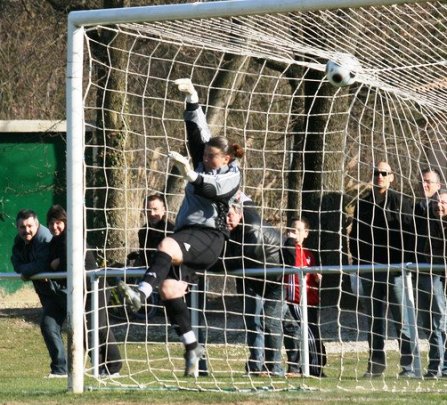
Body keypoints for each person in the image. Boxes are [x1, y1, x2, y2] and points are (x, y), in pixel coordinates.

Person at [119, 78, 243, 377]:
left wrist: (189, 173)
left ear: (226, 158)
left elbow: (212, 189)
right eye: (204, 156)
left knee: (165, 246)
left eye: (212, 156)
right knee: (170, 289)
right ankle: (192, 347)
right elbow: (197, 131)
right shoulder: (205, 161)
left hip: (210, 237)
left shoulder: (231, 175)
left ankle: (140, 293)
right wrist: (192, 97)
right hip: (190, 235)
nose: (205, 159)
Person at [349, 161, 415, 378]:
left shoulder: (402, 202)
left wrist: (404, 264)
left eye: (384, 173)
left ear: (391, 177)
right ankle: (376, 366)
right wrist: (358, 263)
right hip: (370, 269)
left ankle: (409, 366)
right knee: (375, 320)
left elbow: (409, 235)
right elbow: (355, 235)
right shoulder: (363, 203)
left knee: (401, 319)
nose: (379, 176)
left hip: (395, 269)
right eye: (376, 173)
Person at [46, 204, 123, 377]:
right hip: (80, 291)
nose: (54, 226)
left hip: (96, 287)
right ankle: (100, 366)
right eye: (51, 223)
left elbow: (69, 264)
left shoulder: (71, 238)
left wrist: (57, 264)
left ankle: (114, 367)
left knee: (99, 326)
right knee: (83, 330)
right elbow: (52, 264)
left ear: (65, 222)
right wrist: (54, 264)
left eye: (58, 222)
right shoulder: (54, 243)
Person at [218, 195, 285, 376]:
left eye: (230, 215)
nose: (226, 220)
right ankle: (256, 365)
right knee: (252, 321)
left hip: (275, 279)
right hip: (250, 279)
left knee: (271, 321)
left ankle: (275, 367)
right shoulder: (231, 225)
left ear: (240, 214)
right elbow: (246, 201)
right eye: (223, 216)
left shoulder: (252, 230)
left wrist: (205, 261)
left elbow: (232, 262)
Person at [10, 209, 67, 378]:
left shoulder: (44, 237)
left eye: (29, 226)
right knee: (48, 326)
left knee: (86, 329)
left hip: (65, 290)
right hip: (50, 294)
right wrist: (26, 270)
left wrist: (28, 270)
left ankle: (107, 367)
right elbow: (16, 263)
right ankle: (60, 370)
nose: (26, 230)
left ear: (37, 224)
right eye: (22, 227)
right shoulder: (19, 240)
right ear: (17, 227)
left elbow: (42, 264)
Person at [282, 217, 326, 377]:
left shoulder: (309, 254)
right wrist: (290, 241)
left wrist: (317, 276)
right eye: (292, 229)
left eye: (298, 230)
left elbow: (314, 274)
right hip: (296, 301)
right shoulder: (288, 249)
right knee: (302, 332)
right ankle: (312, 369)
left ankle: (316, 366)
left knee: (313, 333)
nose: (295, 232)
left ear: (306, 233)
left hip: (311, 300)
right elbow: (291, 261)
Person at [417, 181, 447, 379]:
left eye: (443, 202)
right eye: (437, 202)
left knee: (440, 321)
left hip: (440, 275)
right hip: (430, 273)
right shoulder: (425, 220)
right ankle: (437, 365)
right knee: (432, 322)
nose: (439, 205)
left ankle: (441, 367)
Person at [138, 194, 175, 267]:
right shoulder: (143, 232)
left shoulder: (172, 230)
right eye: (148, 210)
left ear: (163, 210)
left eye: (155, 209)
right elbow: (144, 259)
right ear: (144, 212)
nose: (152, 214)